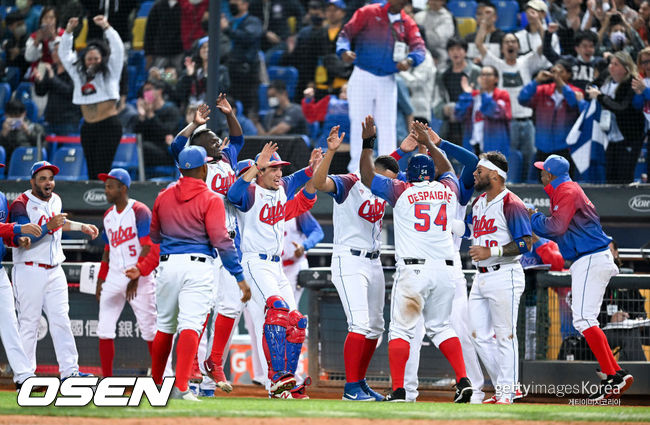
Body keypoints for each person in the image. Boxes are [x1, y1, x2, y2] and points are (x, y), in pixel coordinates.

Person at [359, 119, 472, 403]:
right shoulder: (448, 189)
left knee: (400, 329)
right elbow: (446, 168)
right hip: (446, 270)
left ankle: (399, 390)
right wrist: (431, 143)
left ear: (408, 174)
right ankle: (463, 380)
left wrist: (367, 144)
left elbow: (366, 176)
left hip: (414, 270)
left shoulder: (402, 190)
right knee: (442, 327)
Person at [312, 124, 413, 401]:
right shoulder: (351, 181)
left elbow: (382, 167)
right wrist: (331, 153)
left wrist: (401, 153)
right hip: (349, 258)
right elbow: (320, 184)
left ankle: (360, 382)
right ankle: (350, 389)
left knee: (376, 326)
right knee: (359, 323)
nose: (387, 186)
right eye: (385, 180)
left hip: (374, 261)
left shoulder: (382, 175)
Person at [530, 155, 634, 400]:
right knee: (585, 320)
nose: (541, 173)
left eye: (544, 170)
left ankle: (612, 378)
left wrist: (533, 217)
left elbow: (555, 227)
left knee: (584, 320)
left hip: (591, 258)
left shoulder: (566, 190)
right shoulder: (564, 189)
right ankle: (615, 374)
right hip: (590, 259)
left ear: (551, 174)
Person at [394, 128, 485, 404]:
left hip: (445, 263)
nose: (426, 156)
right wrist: (422, 147)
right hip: (440, 265)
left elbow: (471, 163)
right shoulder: (425, 186)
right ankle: (409, 390)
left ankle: (475, 388)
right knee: (426, 330)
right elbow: (388, 172)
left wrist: (437, 144)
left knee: (459, 328)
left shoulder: (455, 185)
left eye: (430, 155)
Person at [149, 145, 247, 401]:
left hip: (168, 264)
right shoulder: (211, 198)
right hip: (198, 265)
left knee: (164, 328)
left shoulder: (162, 196)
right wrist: (238, 276)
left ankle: (156, 385)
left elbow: (155, 235)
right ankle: (182, 387)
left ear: (181, 169)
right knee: (190, 326)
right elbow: (222, 241)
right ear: (203, 168)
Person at [170, 95, 252, 394]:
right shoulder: (192, 166)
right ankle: (191, 363)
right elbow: (176, 147)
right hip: (204, 244)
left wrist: (230, 113)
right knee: (201, 308)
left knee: (230, 306)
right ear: (200, 147)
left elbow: (239, 137)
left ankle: (213, 363)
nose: (219, 142)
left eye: (219, 139)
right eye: (212, 139)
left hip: (229, 241)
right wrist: (194, 124)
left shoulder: (228, 159)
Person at [227, 142, 319, 399]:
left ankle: (288, 382)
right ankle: (276, 377)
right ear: (260, 172)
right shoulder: (250, 192)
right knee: (277, 310)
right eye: (273, 168)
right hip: (254, 262)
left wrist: (314, 167)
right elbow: (233, 195)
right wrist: (257, 165)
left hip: (277, 265)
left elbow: (303, 176)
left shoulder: (282, 188)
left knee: (297, 322)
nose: (279, 173)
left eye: (280, 168)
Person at [9, 161, 99, 380]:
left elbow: (60, 222)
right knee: (29, 323)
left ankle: (70, 372)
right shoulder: (21, 203)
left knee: (61, 320)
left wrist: (81, 227)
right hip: (29, 269)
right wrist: (49, 226)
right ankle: (24, 375)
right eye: (42, 179)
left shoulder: (56, 200)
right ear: (33, 182)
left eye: (50, 178)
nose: (48, 183)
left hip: (54, 270)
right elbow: (25, 237)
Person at [464, 151, 532, 404]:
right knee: (478, 336)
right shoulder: (479, 201)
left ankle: (506, 392)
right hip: (481, 277)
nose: (475, 173)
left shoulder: (511, 202)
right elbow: (472, 232)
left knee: (505, 335)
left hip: (505, 274)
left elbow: (526, 244)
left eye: (479, 171)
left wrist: (491, 251)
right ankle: (508, 386)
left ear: (494, 174)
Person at [336, 0, 426, 172]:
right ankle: (356, 170)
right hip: (363, 74)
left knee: (387, 125)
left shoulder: (406, 22)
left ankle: (388, 169)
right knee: (360, 124)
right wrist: (343, 51)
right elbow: (346, 33)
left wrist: (410, 60)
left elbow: (419, 47)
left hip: (387, 79)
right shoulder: (368, 12)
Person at [95, 168, 161, 378]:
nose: (106, 190)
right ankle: (106, 379)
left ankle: (161, 377)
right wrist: (101, 279)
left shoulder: (140, 211)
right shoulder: (108, 216)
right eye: (106, 185)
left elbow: (148, 246)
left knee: (150, 329)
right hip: (114, 276)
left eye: (110, 186)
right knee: (104, 329)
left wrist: (138, 275)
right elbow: (107, 249)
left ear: (122, 188)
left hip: (139, 274)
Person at [476, 19, 546, 182]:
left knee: (530, 157)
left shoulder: (526, 62)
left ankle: (527, 187)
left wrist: (540, 26)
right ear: (502, 48)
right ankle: (511, 186)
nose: (510, 44)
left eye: (514, 41)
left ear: (518, 46)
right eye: (507, 41)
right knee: (510, 159)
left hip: (528, 120)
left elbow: (543, 48)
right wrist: (484, 27)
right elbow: (479, 44)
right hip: (508, 122)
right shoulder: (497, 64)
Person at [59, 15, 124, 180]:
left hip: (108, 126)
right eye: (89, 59)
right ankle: (93, 205)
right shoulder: (79, 74)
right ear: (84, 60)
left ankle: (104, 204)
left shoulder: (111, 71)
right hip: (88, 128)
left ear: (102, 59)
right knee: (91, 171)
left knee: (102, 170)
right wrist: (68, 33)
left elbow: (118, 48)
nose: (93, 61)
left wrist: (107, 28)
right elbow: (65, 55)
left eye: (96, 58)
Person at [0, 162, 42, 391]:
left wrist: (18, 240)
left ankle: (24, 376)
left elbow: (4, 234)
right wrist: (18, 229)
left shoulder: (0, 198)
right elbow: (6, 227)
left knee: (10, 323)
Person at [585, 51, 645, 183]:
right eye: (611, 63)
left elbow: (621, 108)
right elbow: (589, 87)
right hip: (612, 137)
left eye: (616, 64)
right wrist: (592, 91)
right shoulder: (607, 76)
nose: (611, 67)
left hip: (630, 136)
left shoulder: (632, 82)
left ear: (625, 68)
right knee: (610, 175)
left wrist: (600, 96)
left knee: (624, 176)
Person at [518, 59, 582, 179]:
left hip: (564, 149)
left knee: (563, 185)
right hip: (542, 147)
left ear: (569, 74)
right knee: (539, 185)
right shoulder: (543, 90)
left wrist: (560, 83)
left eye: (561, 72)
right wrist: (536, 81)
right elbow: (522, 99)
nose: (556, 75)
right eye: (554, 71)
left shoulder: (575, 91)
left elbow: (574, 103)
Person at [455, 66, 512, 156]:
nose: (484, 78)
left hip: (494, 147)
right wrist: (466, 94)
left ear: (496, 79)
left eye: (488, 75)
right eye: (482, 75)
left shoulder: (502, 95)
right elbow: (459, 115)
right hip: (473, 146)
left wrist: (483, 94)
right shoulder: (473, 95)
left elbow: (496, 112)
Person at [433, 37, 481, 145]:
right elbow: (437, 99)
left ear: (465, 51)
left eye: (459, 49)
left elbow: (479, 97)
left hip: (469, 122)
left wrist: (460, 110)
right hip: (449, 122)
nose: (455, 53)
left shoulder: (475, 72)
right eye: (452, 50)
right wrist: (443, 109)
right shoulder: (443, 74)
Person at [33, 36, 81, 136]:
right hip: (50, 119)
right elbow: (41, 92)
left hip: (68, 120)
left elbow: (70, 92)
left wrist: (52, 77)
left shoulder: (75, 71)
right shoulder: (52, 69)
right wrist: (38, 81)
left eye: (58, 51)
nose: (54, 54)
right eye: (53, 51)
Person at [224, 0, 263, 116]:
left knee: (248, 107)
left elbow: (248, 37)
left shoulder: (253, 22)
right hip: (231, 70)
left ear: (245, 4)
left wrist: (227, 30)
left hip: (247, 72)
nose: (232, 4)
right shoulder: (230, 23)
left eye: (236, 2)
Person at [134, 79, 182, 170]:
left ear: (159, 91)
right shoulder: (145, 112)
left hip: (166, 152)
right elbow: (138, 135)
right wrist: (142, 117)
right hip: (148, 151)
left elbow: (167, 132)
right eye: (145, 90)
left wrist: (151, 115)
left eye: (149, 90)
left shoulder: (171, 110)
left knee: (143, 147)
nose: (146, 93)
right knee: (137, 147)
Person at [282, 212, 324, 305]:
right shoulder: (267, 207)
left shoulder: (297, 208)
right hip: (273, 266)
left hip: (294, 266)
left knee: (287, 307)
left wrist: (304, 246)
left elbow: (317, 232)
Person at [543, 27, 604, 92]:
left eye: (591, 46)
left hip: (591, 100)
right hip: (570, 97)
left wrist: (609, 57)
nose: (588, 49)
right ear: (577, 49)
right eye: (585, 46)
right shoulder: (569, 61)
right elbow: (548, 53)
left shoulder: (600, 63)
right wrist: (548, 34)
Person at [144, 0, 184, 71]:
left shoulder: (185, 6)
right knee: (156, 78)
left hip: (179, 53)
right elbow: (149, 32)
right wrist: (148, 53)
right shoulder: (157, 6)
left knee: (176, 79)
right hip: (161, 53)